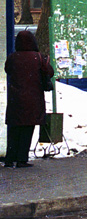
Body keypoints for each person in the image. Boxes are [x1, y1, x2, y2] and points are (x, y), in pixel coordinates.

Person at [4, 30, 53, 168]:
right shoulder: (37, 57)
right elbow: (50, 72)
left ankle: (10, 158)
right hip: (32, 100)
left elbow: (7, 69)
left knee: (14, 129)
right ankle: (21, 159)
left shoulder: (13, 57)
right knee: (27, 129)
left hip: (15, 100)